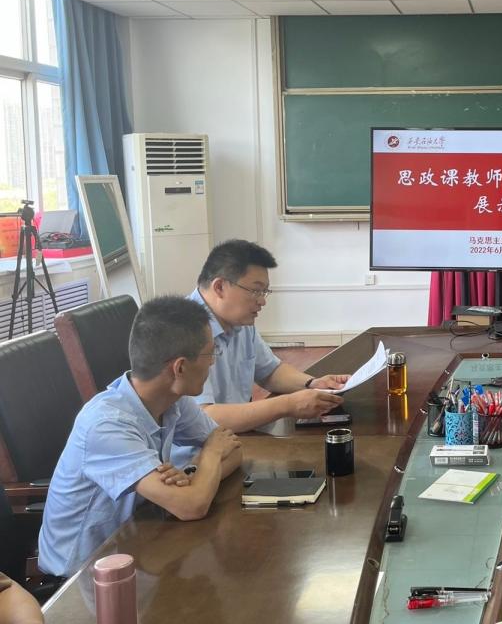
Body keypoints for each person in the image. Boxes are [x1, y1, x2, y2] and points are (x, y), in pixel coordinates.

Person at [37, 297, 243, 579]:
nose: (212, 363)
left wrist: (192, 476)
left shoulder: (172, 398)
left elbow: (233, 449)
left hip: (141, 546)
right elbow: (191, 505)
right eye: (210, 354)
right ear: (180, 367)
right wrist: (209, 456)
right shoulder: (107, 424)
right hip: (81, 576)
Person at [189, 240, 349, 432]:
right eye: (255, 291)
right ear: (219, 287)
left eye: (264, 292)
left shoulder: (239, 321)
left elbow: (270, 371)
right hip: (202, 447)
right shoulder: (184, 330)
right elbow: (204, 418)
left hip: (235, 436)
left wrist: (312, 384)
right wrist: (287, 405)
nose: (262, 301)